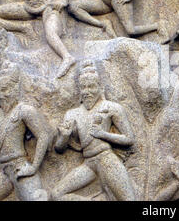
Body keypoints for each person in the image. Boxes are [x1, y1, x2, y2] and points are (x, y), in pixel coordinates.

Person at [52, 60, 136, 201]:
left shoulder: (111, 108)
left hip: (107, 160)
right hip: (88, 163)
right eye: (83, 87)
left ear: (99, 87)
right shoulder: (72, 114)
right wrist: (64, 137)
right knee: (56, 194)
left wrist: (103, 134)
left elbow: (129, 139)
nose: (87, 91)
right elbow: (59, 148)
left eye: (91, 87)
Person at [0, 62, 53, 201]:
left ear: (15, 88)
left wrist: (33, 167)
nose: (2, 95)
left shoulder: (24, 111)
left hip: (20, 167)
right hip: (5, 172)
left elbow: (43, 135)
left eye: (6, 89)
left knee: (37, 198)